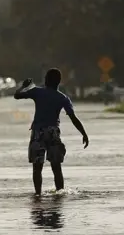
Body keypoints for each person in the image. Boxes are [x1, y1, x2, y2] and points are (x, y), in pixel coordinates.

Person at [14, 68, 89, 196]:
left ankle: (38, 195)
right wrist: (84, 133)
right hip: (53, 132)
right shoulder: (63, 98)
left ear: (45, 80)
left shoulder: (37, 92)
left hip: (38, 132)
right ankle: (59, 194)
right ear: (59, 82)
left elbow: (17, 95)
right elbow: (73, 118)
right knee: (56, 166)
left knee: (37, 167)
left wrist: (24, 86)